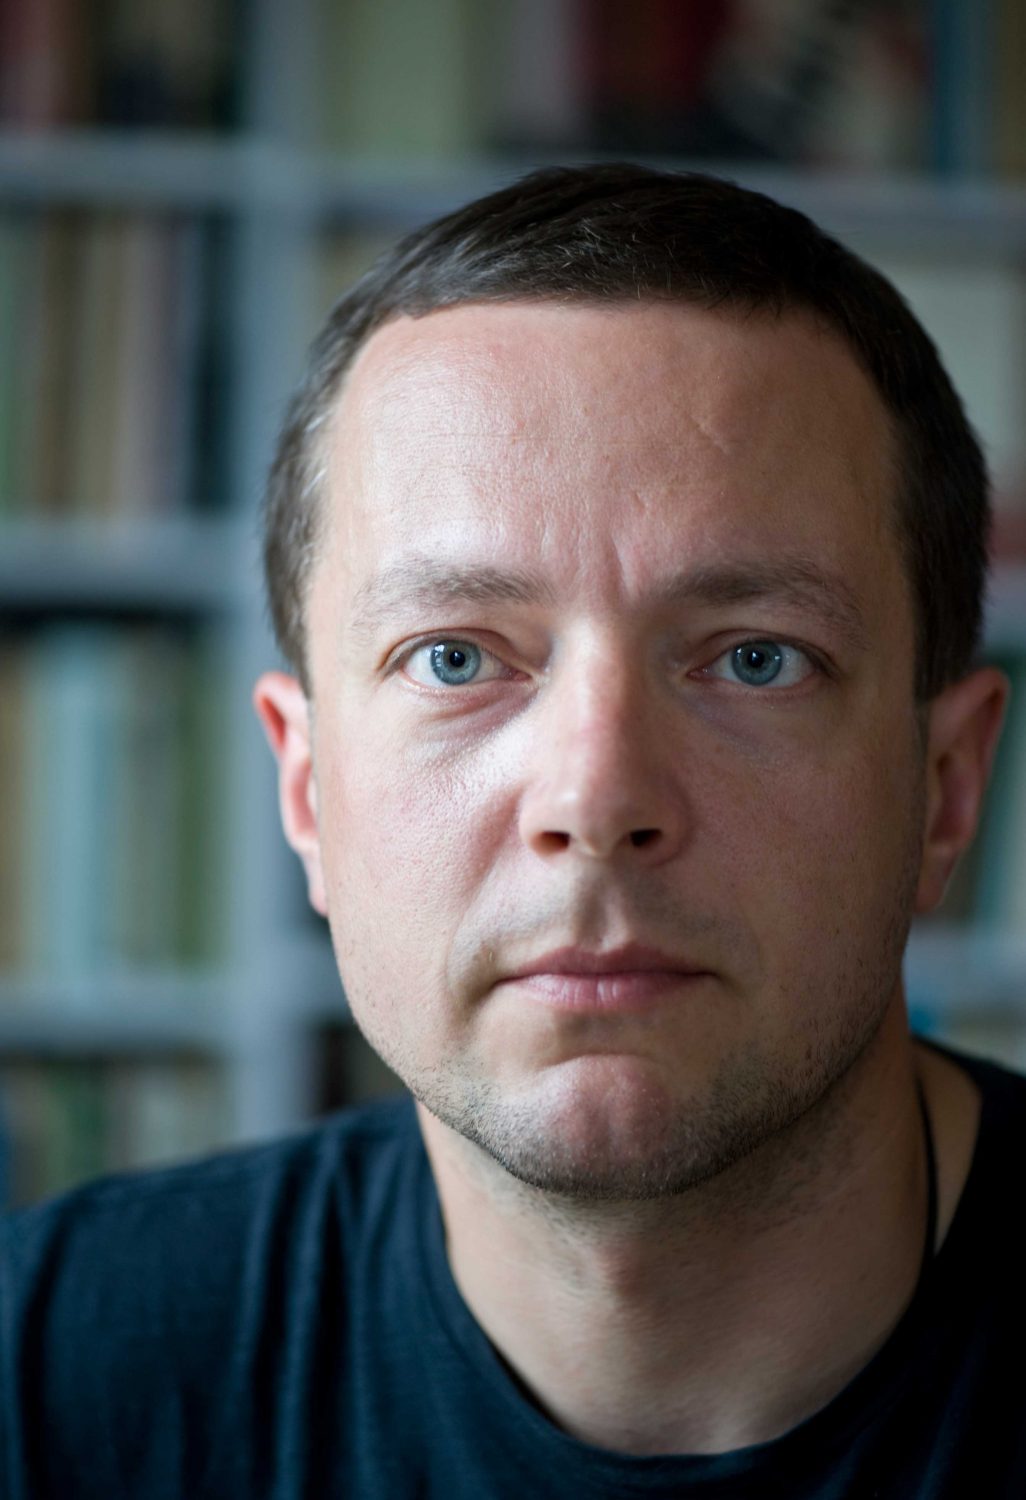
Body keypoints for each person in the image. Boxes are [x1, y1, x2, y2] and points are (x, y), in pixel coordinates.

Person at [1, 164, 1022, 1498]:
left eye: (756, 658)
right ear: (306, 791)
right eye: (453, 658)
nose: (594, 804)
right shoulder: (45, 1380)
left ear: (944, 786)